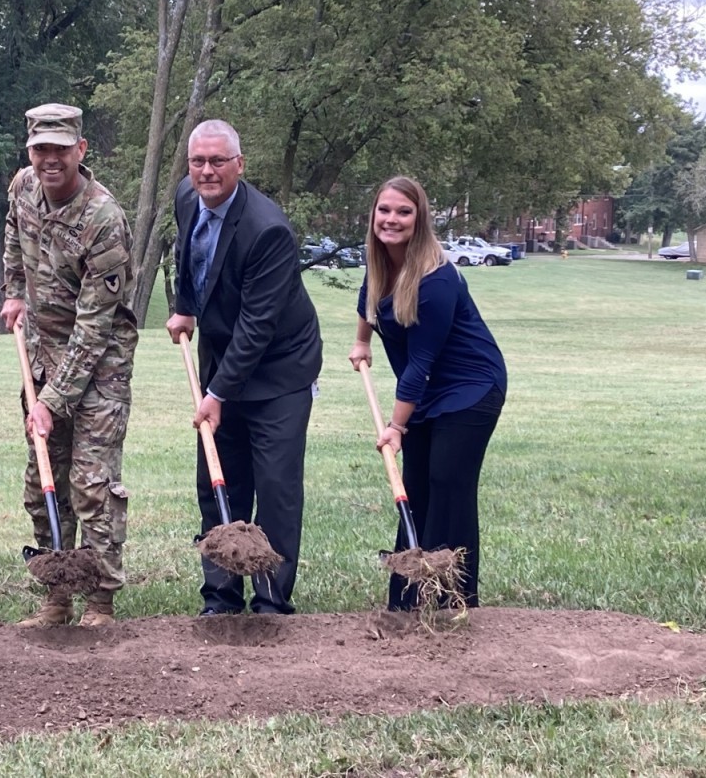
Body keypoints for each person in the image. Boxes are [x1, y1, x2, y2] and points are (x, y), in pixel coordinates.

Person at [164, 119, 323, 616]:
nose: (206, 172)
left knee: (274, 487)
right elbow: (188, 255)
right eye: (198, 161)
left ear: (240, 165)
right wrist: (186, 305)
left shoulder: (268, 229)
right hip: (221, 360)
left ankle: (272, 601)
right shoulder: (187, 197)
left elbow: (257, 327)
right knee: (219, 484)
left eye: (217, 161)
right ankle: (221, 597)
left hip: (279, 370)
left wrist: (217, 396)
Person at [0, 103, 137, 628]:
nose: (50, 159)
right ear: (30, 150)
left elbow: (94, 327)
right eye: (41, 149)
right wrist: (14, 290)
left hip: (99, 363)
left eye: (61, 149)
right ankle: (56, 596)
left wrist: (53, 402)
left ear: (81, 150)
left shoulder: (104, 219)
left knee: (90, 483)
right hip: (40, 351)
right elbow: (14, 234)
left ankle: (100, 600)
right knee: (43, 479)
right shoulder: (22, 187)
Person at [348, 175, 506, 610]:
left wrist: (396, 426)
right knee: (414, 486)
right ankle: (406, 602)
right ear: (373, 215)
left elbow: (420, 365)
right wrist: (362, 341)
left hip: (470, 388)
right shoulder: (380, 261)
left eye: (403, 212)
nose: (391, 220)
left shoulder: (436, 280)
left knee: (446, 483)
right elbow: (368, 298)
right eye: (384, 210)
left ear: (420, 220)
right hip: (427, 392)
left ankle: (453, 599)